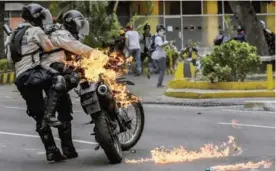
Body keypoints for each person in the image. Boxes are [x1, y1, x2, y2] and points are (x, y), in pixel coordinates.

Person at [7, 3, 66, 162]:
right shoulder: (36, 31)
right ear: (37, 18)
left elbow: (10, 60)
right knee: (58, 78)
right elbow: (48, 48)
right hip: (34, 73)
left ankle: (52, 151)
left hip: (20, 79)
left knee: (38, 116)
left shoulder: (12, 34)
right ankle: (50, 115)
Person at [41, 9, 102, 159]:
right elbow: (78, 48)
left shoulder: (64, 35)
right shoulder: (61, 34)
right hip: (51, 69)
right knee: (74, 77)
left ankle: (68, 149)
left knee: (65, 109)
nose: (80, 29)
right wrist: (98, 54)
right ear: (71, 24)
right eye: (78, 25)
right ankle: (49, 109)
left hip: (57, 71)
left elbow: (74, 56)